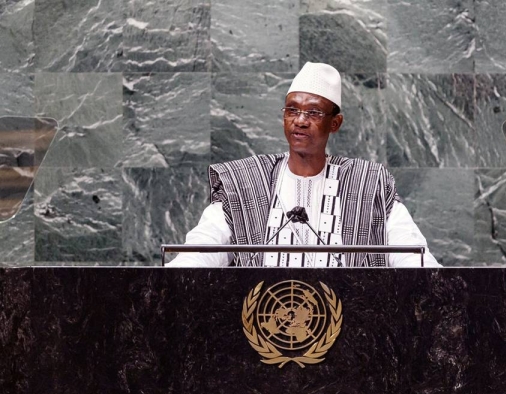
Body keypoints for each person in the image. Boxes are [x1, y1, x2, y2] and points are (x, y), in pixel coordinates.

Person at [168, 62, 441, 267]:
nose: (300, 120)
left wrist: (449, 287)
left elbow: (410, 253)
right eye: (292, 110)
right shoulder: (246, 181)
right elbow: (204, 247)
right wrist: (163, 280)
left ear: (335, 123)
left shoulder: (368, 183)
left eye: (313, 112)